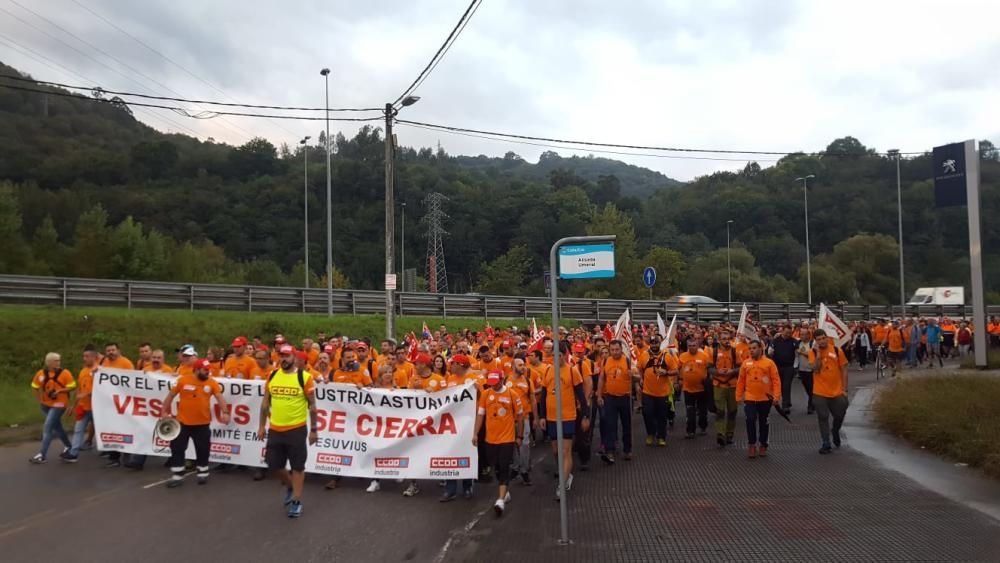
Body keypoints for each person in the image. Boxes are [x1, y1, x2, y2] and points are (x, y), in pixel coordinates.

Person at [257, 344, 318, 518]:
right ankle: (290, 486)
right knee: (274, 465)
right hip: (275, 428)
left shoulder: (304, 377)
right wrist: (261, 426)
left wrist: (314, 430)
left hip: (296, 429)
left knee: (298, 467)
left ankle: (297, 501)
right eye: (280, 356)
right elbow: (265, 403)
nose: (283, 359)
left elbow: (312, 406)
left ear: (294, 358)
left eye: (286, 356)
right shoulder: (272, 375)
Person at [161, 358, 230, 487]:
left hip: (202, 424)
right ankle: (177, 475)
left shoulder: (212, 383)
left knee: (203, 449)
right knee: (177, 448)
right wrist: (164, 411)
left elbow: (220, 398)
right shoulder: (182, 380)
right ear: (196, 369)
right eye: (205, 370)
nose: (207, 372)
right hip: (182, 423)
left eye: (208, 370)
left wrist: (225, 412)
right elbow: (170, 396)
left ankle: (203, 473)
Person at [537, 341, 588, 502]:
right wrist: (542, 416)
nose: (555, 358)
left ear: (564, 355)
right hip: (551, 417)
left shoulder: (573, 372)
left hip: (567, 416)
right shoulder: (547, 371)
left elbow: (581, 396)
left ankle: (562, 483)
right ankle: (566, 473)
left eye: (558, 355)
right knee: (556, 451)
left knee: (565, 451)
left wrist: (585, 416)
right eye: (553, 355)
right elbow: (544, 394)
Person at [473, 369, 524, 517]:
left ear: (502, 380)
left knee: (504, 467)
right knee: (495, 467)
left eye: (495, 383)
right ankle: (505, 492)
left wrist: (519, 436)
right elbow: (480, 415)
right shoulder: (486, 394)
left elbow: (520, 417)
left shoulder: (512, 395)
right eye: (491, 383)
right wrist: (475, 433)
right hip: (490, 439)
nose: (493, 386)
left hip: (507, 439)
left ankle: (500, 500)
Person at [402, 354, 444, 497]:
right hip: (416, 423)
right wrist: (416, 390)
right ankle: (413, 483)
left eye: (417, 363)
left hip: (435, 423)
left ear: (425, 364)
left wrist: (433, 394)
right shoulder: (413, 379)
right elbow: (406, 398)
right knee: (413, 451)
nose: (415, 366)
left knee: (437, 449)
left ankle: (442, 474)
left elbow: (448, 399)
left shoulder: (439, 380)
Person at [736, 340, 780, 459]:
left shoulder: (769, 363)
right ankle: (752, 444)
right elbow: (741, 381)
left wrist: (776, 396)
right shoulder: (745, 364)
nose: (751, 350)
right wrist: (738, 396)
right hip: (750, 398)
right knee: (750, 420)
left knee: (763, 422)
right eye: (750, 348)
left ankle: (763, 444)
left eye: (754, 348)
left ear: (761, 348)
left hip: (765, 398)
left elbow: (776, 380)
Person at [29, 352, 76, 464]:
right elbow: (34, 387)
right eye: (56, 361)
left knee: (48, 428)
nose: (59, 362)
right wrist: (39, 400)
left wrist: (60, 391)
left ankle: (42, 455)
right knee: (57, 427)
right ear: (48, 362)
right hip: (45, 405)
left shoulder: (65, 373)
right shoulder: (41, 374)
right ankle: (69, 446)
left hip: (59, 405)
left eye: (59, 360)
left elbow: (72, 386)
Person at [809, 329, 850, 454]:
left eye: (823, 338)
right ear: (815, 341)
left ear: (827, 337)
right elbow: (815, 369)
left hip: (837, 391)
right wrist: (818, 356)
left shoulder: (837, 350)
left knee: (840, 414)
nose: (821, 341)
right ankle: (826, 442)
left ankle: (835, 430)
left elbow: (844, 369)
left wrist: (844, 389)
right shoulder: (812, 352)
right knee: (823, 416)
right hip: (820, 392)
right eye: (818, 339)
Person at [596, 340, 635, 463]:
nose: (614, 352)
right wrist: (599, 395)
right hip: (610, 398)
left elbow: (638, 377)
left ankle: (627, 450)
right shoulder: (606, 361)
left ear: (621, 349)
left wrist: (632, 376)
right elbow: (602, 378)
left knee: (626, 425)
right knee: (610, 425)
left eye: (617, 349)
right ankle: (609, 451)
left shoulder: (628, 361)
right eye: (612, 350)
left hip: (625, 398)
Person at [62, 345, 98, 462]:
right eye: (84, 356)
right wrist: (73, 404)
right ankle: (73, 453)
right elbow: (79, 389)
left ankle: (114, 452)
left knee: (104, 430)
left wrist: (87, 394)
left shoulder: (99, 371)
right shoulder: (83, 371)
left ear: (94, 357)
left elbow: (102, 390)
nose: (84, 358)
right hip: (83, 407)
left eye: (87, 356)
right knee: (78, 429)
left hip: (96, 408)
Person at [641, 340, 676, 447]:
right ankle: (650, 434)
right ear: (649, 344)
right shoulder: (644, 355)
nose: (654, 345)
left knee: (662, 416)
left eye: (656, 343)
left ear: (659, 344)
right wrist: (640, 379)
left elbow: (676, 371)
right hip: (647, 392)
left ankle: (661, 436)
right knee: (647, 414)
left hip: (663, 393)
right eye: (652, 343)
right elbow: (639, 368)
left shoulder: (667, 356)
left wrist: (666, 372)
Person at [507, 355, 535, 484]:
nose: (523, 367)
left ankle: (524, 470)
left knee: (524, 444)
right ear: (513, 367)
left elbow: (533, 399)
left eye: (524, 364)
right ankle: (515, 466)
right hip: (509, 418)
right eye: (520, 365)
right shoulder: (506, 380)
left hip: (524, 418)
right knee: (512, 444)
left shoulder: (528, 381)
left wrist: (536, 417)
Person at [677, 335, 712, 439]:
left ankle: (703, 427)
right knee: (690, 411)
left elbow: (710, 369)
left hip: (701, 389)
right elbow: (678, 369)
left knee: (702, 411)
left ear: (698, 345)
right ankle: (690, 431)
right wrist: (678, 380)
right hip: (688, 389)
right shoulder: (682, 356)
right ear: (687, 346)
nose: (692, 347)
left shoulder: (704, 356)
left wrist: (709, 382)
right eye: (690, 345)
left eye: (694, 345)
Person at [712, 331, 740, 446]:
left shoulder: (734, 352)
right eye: (723, 339)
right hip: (718, 385)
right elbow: (709, 367)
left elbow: (740, 366)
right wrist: (717, 371)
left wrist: (732, 371)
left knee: (732, 411)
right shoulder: (713, 352)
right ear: (719, 340)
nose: (726, 341)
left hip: (732, 385)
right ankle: (720, 433)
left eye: (728, 338)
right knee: (720, 411)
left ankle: (729, 434)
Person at [769, 325, 798, 414]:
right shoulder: (775, 340)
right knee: (781, 386)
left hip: (789, 367)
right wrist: (770, 352)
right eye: (786, 332)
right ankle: (787, 401)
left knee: (786, 385)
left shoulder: (794, 341)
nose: (788, 334)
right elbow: (770, 352)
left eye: (790, 333)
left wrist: (795, 366)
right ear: (782, 332)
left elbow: (797, 354)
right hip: (777, 367)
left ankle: (785, 406)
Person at [795, 330, 815, 414]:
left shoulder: (812, 343)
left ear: (808, 335)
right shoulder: (798, 343)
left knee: (811, 389)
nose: (802, 336)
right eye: (801, 334)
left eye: (804, 334)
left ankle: (810, 406)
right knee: (807, 389)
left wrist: (802, 352)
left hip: (810, 370)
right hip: (801, 370)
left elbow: (813, 355)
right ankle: (813, 402)